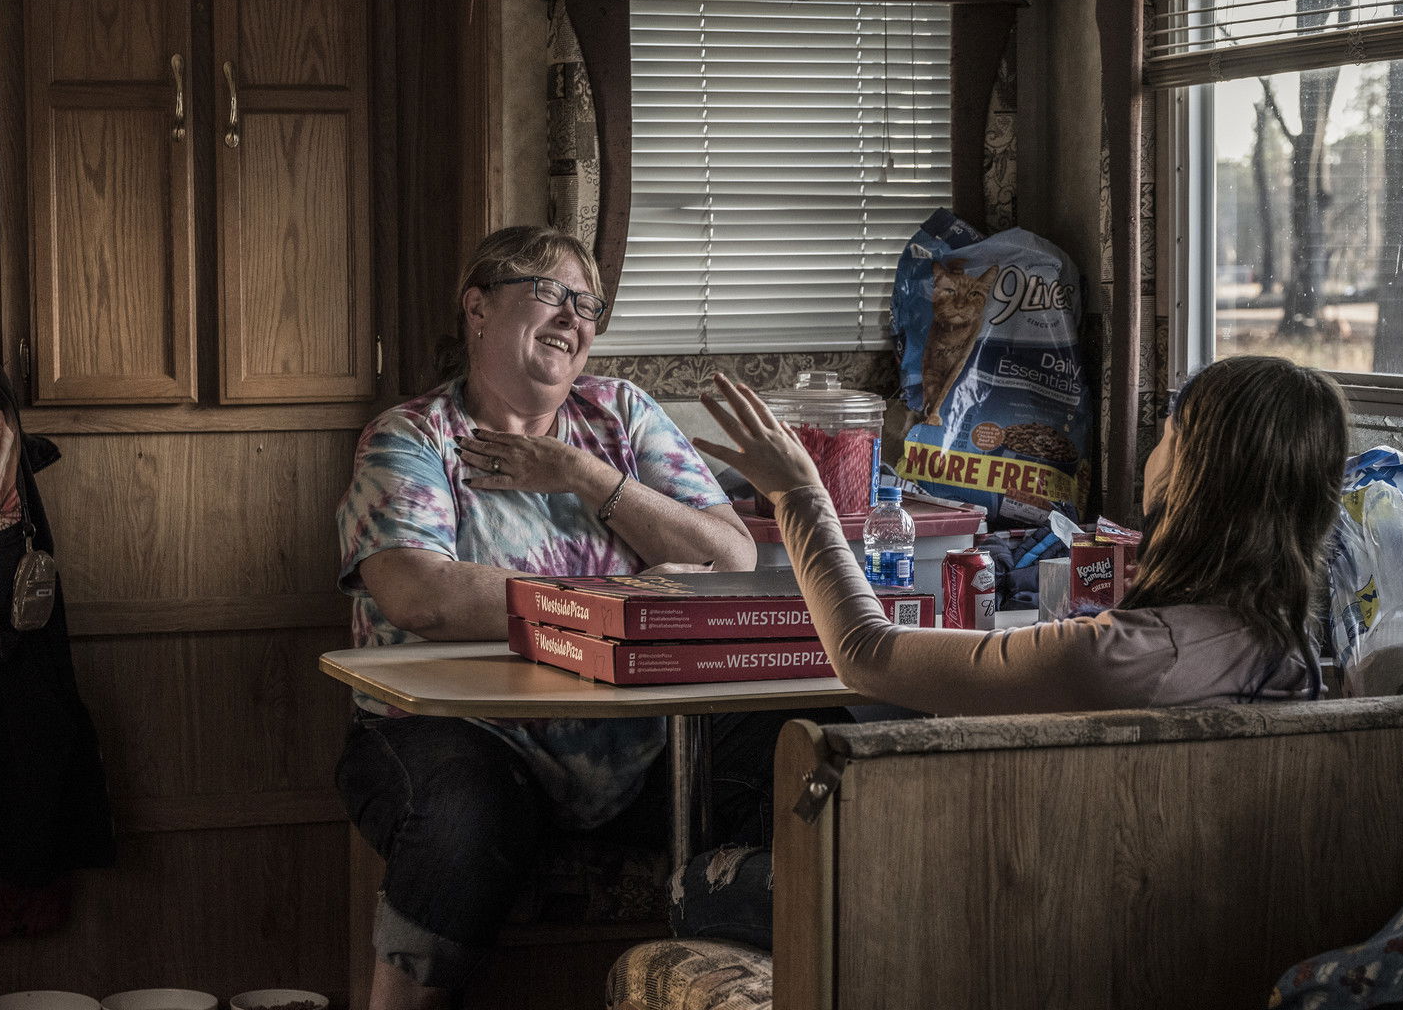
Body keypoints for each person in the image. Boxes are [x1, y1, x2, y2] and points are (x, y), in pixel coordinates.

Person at [670, 354, 1350, 948]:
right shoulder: (1291, 656)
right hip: (1154, 919)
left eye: (1167, 435)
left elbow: (865, 652)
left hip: (1014, 922)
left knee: (695, 884)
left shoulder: (1116, 657)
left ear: (1189, 478)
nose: (1153, 451)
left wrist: (799, 493)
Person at [336, 225, 807, 1010]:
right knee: (463, 816)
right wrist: (614, 599)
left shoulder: (620, 413)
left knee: (807, 736)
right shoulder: (414, 435)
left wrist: (585, 474)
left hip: (641, 747)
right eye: (550, 291)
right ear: (478, 308)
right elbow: (420, 594)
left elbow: (729, 555)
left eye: (588, 304)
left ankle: (765, 982)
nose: (573, 316)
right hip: (464, 734)